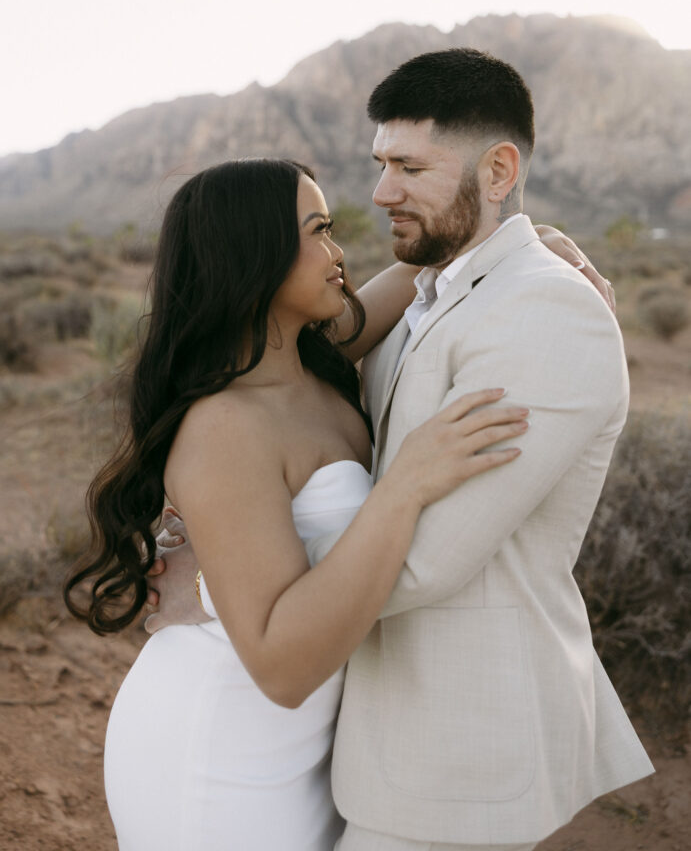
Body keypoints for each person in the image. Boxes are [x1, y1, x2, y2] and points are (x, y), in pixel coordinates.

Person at [150, 49, 653, 851]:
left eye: (409, 167)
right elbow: (270, 381)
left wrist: (218, 590)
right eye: (381, 164)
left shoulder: (545, 313)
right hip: (327, 736)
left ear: (497, 171)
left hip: (452, 755)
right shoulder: (416, 300)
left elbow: (422, 564)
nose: (380, 193)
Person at [65, 156, 539, 851]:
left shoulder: (317, 360)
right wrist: (403, 487)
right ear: (251, 256)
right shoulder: (226, 424)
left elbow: (437, 265)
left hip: (308, 745)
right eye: (316, 231)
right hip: (220, 748)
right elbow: (281, 670)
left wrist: (535, 249)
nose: (337, 252)